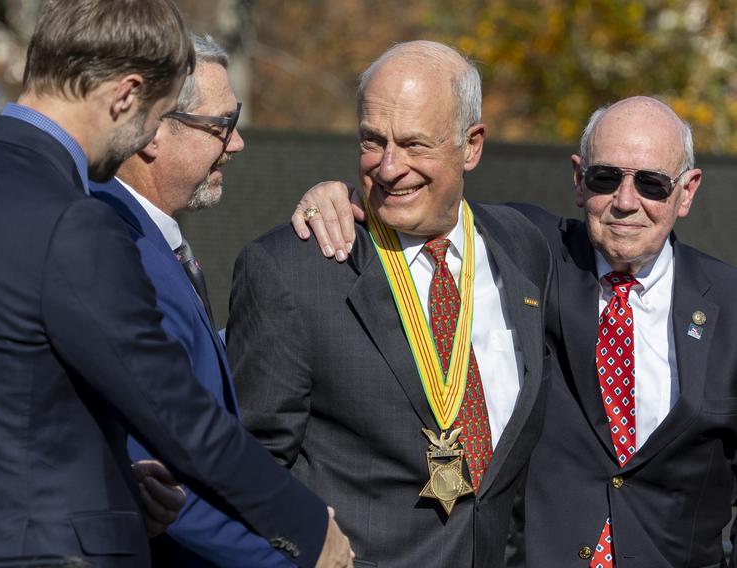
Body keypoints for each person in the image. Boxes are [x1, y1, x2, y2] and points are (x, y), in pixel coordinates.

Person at [0, 1, 352, 566]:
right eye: (155, 111)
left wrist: (124, 488)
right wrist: (308, 532)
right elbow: (176, 413)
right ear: (125, 95)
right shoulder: (71, 221)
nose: (147, 135)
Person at [294, 96, 737, 566]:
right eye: (605, 178)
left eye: (651, 184)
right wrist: (341, 194)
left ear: (687, 192)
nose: (625, 203)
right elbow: (424, 206)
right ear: (578, 181)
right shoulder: (526, 251)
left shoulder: (729, 305)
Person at [226, 41, 553, 567]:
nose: (388, 167)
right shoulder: (294, 269)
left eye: (415, 144)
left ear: (472, 145)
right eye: (372, 141)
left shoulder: (524, 246)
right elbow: (250, 465)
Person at [90, 34, 292, 567]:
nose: (237, 142)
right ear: (153, 131)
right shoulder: (113, 251)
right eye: (221, 125)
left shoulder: (150, 237)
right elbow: (163, 482)